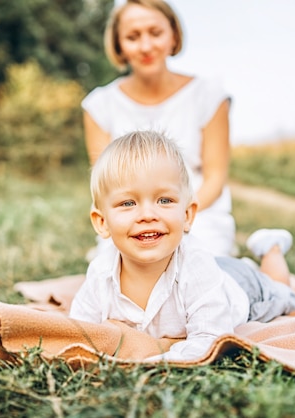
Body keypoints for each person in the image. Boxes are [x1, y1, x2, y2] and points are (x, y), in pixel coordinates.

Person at [69, 131, 295, 361]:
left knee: (283, 293)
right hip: (216, 270)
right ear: (102, 222)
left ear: (188, 214)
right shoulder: (101, 273)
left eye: (164, 200)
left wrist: (154, 364)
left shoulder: (196, 268)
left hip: (241, 287)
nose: (148, 214)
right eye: (128, 203)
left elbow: (210, 339)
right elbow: (78, 331)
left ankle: (271, 248)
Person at [82, 0, 235, 257]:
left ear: (173, 35)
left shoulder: (208, 95)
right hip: (130, 219)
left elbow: (215, 179)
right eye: (132, 37)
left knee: (195, 268)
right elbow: (105, 185)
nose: (145, 46)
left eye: (155, 33)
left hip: (198, 214)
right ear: (119, 45)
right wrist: (137, 222)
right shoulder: (99, 105)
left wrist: (173, 217)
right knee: (117, 274)